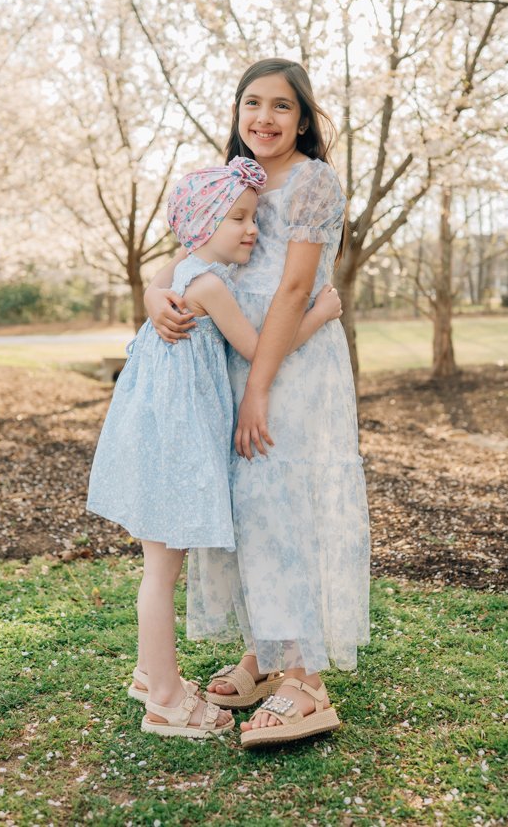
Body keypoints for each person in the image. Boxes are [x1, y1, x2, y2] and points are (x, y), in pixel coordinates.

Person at [144, 59, 371, 748]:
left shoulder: (313, 181)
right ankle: (266, 653)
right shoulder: (235, 178)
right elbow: (185, 251)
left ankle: (305, 680)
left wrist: (260, 388)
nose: (263, 118)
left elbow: (296, 288)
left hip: (288, 366)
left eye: (280, 106)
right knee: (245, 511)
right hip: (228, 362)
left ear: (302, 119)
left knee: (283, 507)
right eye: (252, 103)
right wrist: (155, 295)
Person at [87, 155, 342, 740]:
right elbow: (259, 349)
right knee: (161, 574)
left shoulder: (184, 274)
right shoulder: (209, 285)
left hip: (151, 435)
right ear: (203, 227)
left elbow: (162, 285)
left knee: (157, 571)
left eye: (253, 217)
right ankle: (167, 700)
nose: (253, 229)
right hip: (177, 448)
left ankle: (151, 677)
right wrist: (320, 314)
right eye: (239, 219)